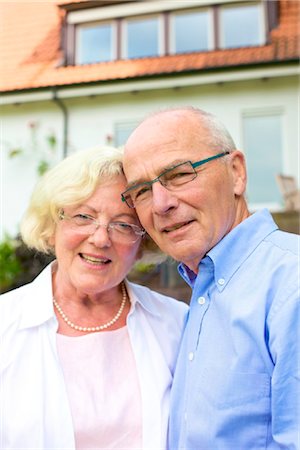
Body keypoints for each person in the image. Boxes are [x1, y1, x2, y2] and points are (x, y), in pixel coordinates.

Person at [122, 107, 299, 450]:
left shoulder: (290, 283)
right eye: (141, 191)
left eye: (179, 174)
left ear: (236, 173)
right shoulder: (202, 291)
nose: (160, 204)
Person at [0, 145, 188, 449]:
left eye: (124, 225)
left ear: (143, 243)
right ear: (52, 227)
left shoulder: (177, 324)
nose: (101, 238)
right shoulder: (5, 325)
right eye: (83, 216)